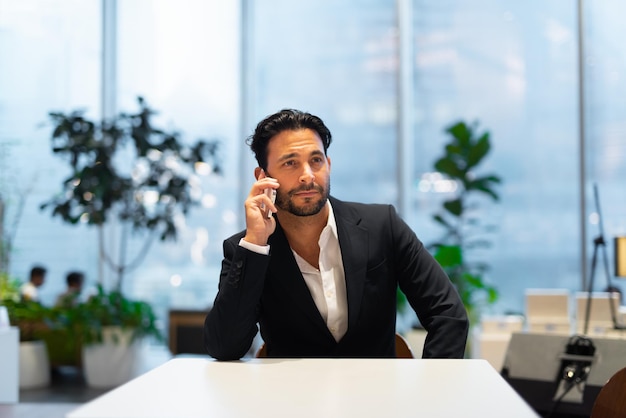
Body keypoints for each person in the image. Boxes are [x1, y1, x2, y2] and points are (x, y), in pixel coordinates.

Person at [204, 109, 469, 360]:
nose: (307, 176)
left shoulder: (382, 226)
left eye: (316, 160)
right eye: (290, 163)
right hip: (291, 402)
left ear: (328, 165)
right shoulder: (247, 248)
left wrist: (432, 393)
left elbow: (447, 314)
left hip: (378, 401)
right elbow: (225, 346)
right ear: (263, 177)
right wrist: (256, 244)